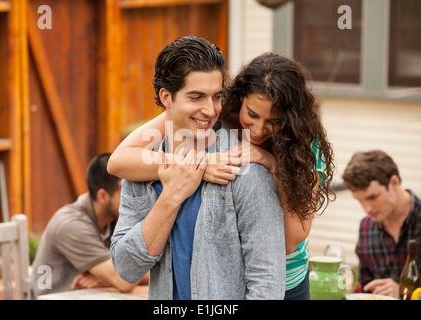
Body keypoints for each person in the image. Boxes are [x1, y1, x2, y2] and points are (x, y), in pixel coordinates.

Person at [108, 52, 335, 299]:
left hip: (288, 282)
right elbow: (119, 161)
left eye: (274, 121)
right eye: (252, 114)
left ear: (291, 119)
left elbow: (290, 241)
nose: (258, 130)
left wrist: (272, 163)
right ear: (239, 100)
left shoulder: (305, 148)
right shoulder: (214, 110)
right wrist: (201, 165)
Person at [29, 153, 148, 300]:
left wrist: (107, 278)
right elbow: (124, 281)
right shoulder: (71, 225)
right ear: (102, 196)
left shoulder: (116, 217)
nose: (132, 198)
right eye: (126, 192)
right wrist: (117, 276)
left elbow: (157, 267)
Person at [342, 149, 421, 298]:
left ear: (394, 182)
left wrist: (405, 293)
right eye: (359, 200)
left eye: (372, 197)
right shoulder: (366, 228)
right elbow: (366, 288)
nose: (366, 209)